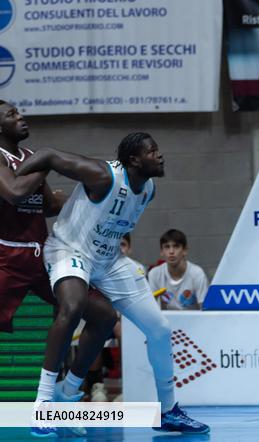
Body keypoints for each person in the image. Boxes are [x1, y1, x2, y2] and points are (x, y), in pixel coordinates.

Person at [16, 133, 209, 434]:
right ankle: (43, 404)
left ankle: (166, 410)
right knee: (74, 305)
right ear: (134, 159)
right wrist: (13, 182)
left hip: (108, 260)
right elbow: (49, 154)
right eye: (153, 151)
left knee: (159, 329)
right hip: (69, 249)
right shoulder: (102, 176)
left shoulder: (148, 191)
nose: (160, 156)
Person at [0, 101, 121, 437]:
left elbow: (48, 205)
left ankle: (66, 397)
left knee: (104, 315)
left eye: (20, 112)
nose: (20, 117)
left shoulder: (31, 157)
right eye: (11, 115)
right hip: (6, 257)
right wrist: (47, 163)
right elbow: (12, 193)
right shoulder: (16, 159)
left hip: (42, 257)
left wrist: (95, 197)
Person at [147, 229, 209, 311]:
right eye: (167, 247)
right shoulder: (154, 274)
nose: (171, 251)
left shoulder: (197, 273)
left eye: (176, 246)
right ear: (162, 252)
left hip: (193, 322)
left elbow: (204, 309)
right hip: (167, 322)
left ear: (184, 250)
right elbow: (151, 308)